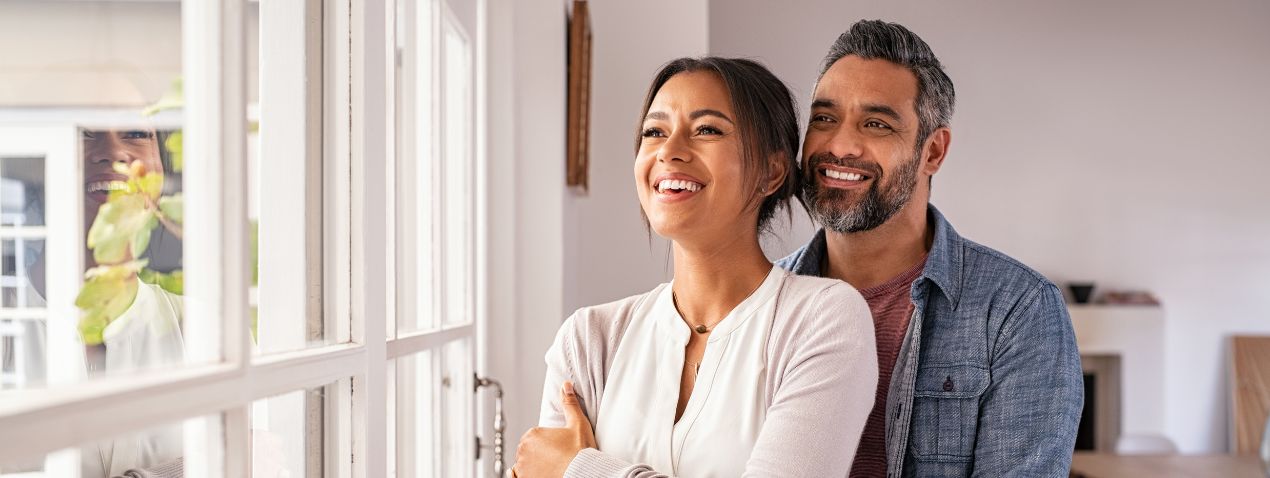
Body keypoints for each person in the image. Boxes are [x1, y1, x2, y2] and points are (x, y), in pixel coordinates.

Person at [513, 57, 878, 477]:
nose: (669, 151)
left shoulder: (823, 320)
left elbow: (558, 468)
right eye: (654, 132)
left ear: (772, 171)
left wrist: (580, 468)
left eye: (707, 129)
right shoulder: (589, 340)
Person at [775, 20, 1084, 477]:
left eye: (876, 124)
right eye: (824, 118)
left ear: (933, 152)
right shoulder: (765, 298)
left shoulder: (1017, 309)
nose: (839, 145)